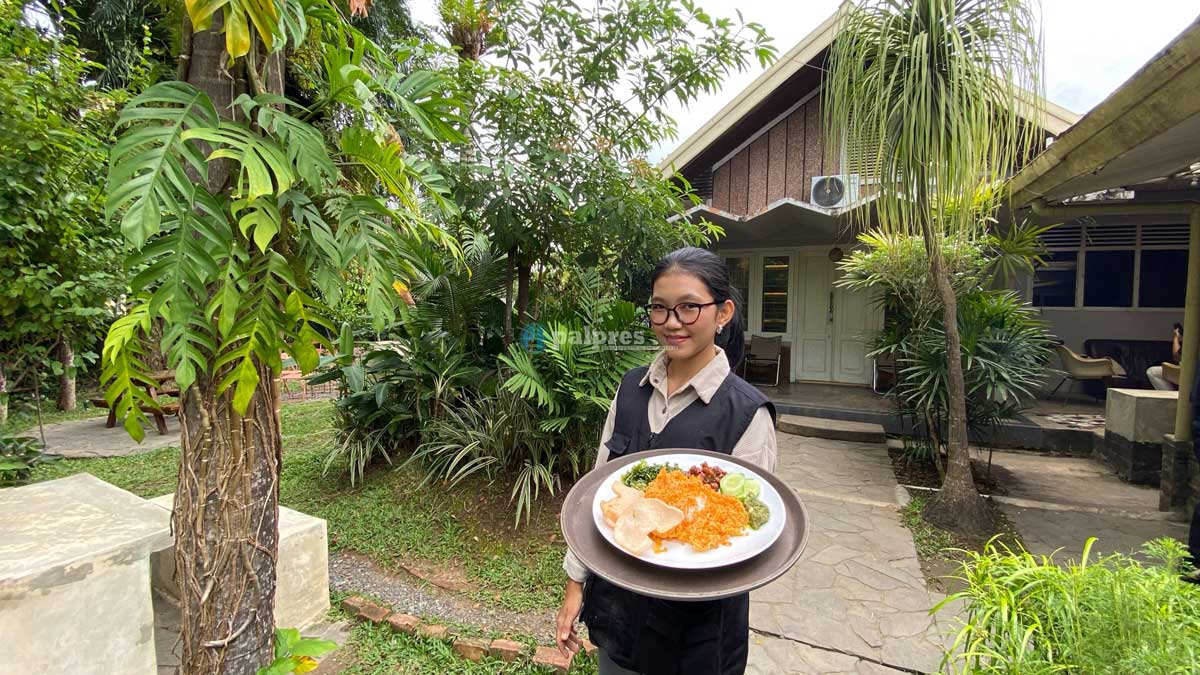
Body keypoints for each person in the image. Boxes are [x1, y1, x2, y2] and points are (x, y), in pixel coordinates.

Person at [554, 247, 778, 675]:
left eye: (689, 307)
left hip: (696, 636)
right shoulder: (629, 390)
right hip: (617, 613)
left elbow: (751, 533)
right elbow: (597, 495)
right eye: (660, 309)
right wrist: (574, 584)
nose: (672, 322)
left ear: (723, 312)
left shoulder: (746, 413)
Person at [1146, 323, 1183, 390]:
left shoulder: (1193, 340)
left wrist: (1176, 337)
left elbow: (1177, 357)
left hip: (1186, 375)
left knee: (1152, 372)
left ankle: (1171, 397)